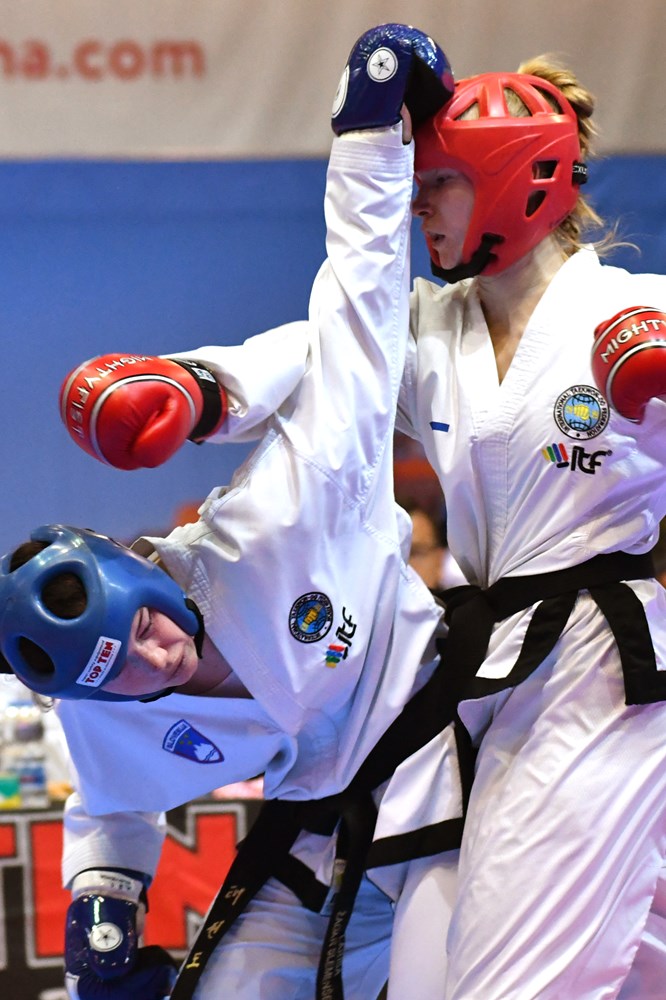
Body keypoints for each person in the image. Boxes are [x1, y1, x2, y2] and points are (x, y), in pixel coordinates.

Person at [0, 25, 458, 1000]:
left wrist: (369, 139)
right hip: (319, 811)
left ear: (141, 570)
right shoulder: (99, 702)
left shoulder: (287, 516)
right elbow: (112, 803)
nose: (157, 661)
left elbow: (357, 317)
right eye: (124, 677)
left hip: (444, 753)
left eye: (144, 631)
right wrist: (102, 910)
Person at [391, 54, 666, 999]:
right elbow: (316, 363)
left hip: (601, 674)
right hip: (500, 676)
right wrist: (203, 387)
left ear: (515, 179)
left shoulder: (640, 311)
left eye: (440, 181)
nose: (419, 206)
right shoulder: (430, 330)